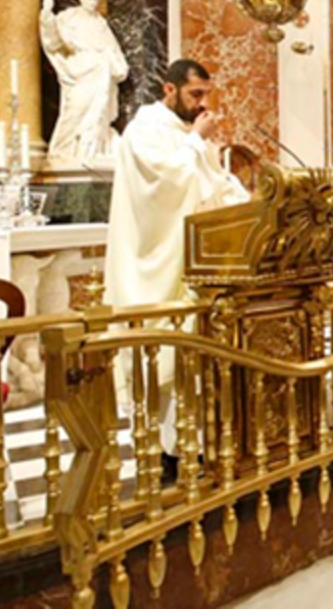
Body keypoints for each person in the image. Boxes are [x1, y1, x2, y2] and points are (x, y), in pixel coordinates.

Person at [105, 58, 248, 457]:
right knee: (167, 360)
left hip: (200, 262)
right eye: (195, 94)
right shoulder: (145, 130)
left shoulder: (189, 134)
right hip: (157, 262)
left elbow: (214, 188)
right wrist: (195, 144)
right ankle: (167, 452)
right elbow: (164, 187)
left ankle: (195, 446)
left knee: (196, 364)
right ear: (169, 89)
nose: (203, 104)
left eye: (206, 94)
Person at [39, 0, 129, 162]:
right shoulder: (69, 17)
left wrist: (117, 64)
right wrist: (47, 14)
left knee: (100, 110)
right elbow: (53, 39)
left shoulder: (100, 23)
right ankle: (64, 147)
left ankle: (94, 148)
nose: (93, 2)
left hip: (102, 69)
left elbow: (112, 48)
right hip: (81, 68)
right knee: (77, 108)